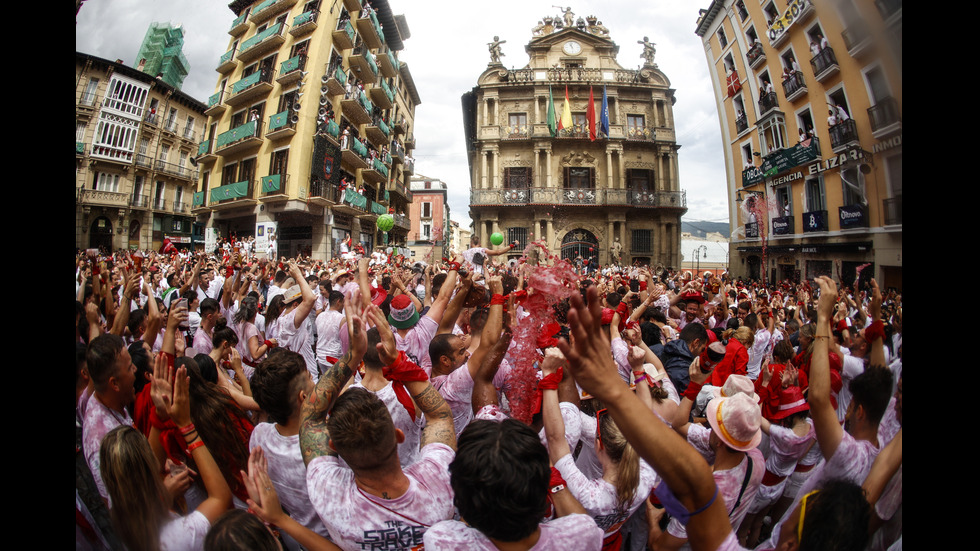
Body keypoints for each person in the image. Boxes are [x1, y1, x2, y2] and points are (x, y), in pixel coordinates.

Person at [300, 302, 459, 550]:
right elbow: (439, 416)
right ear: (397, 436)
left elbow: (311, 417)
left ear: (334, 446)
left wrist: (353, 355)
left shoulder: (328, 496)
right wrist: (397, 360)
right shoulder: (439, 482)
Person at [100, 357, 232, 551]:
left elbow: (150, 465)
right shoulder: (179, 536)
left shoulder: (125, 515)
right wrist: (186, 426)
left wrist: (160, 415)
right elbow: (221, 498)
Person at [423, 420, 603, 550]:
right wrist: (552, 478)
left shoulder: (442, 541)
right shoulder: (579, 538)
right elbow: (581, 522)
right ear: (542, 497)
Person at [249, 351, 331, 548]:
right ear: (303, 397)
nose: (315, 382)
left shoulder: (259, 436)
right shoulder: (326, 447)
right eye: (311, 377)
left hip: (293, 536)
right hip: (330, 539)